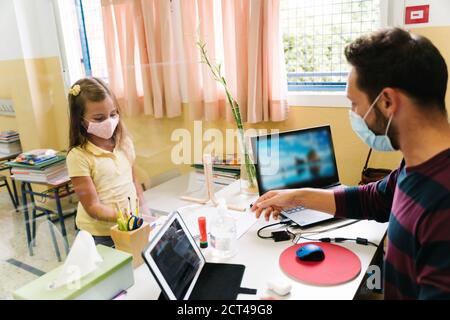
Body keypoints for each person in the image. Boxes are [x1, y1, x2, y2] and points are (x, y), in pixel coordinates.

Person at [252, 27, 450, 300]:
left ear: (388, 101)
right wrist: (296, 197)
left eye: (355, 104)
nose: (355, 115)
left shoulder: (443, 204)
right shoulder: (419, 164)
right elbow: (375, 199)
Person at [66, 77, 150, 247]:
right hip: (100, 234)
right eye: (98, 118)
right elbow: (93, 207)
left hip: (128, 224)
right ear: (80, 119)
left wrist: (144, 208)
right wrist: (125, 216)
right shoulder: (78, 156)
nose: (108, 121)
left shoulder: (124, 143)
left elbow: (133, 181)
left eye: (113, 114)